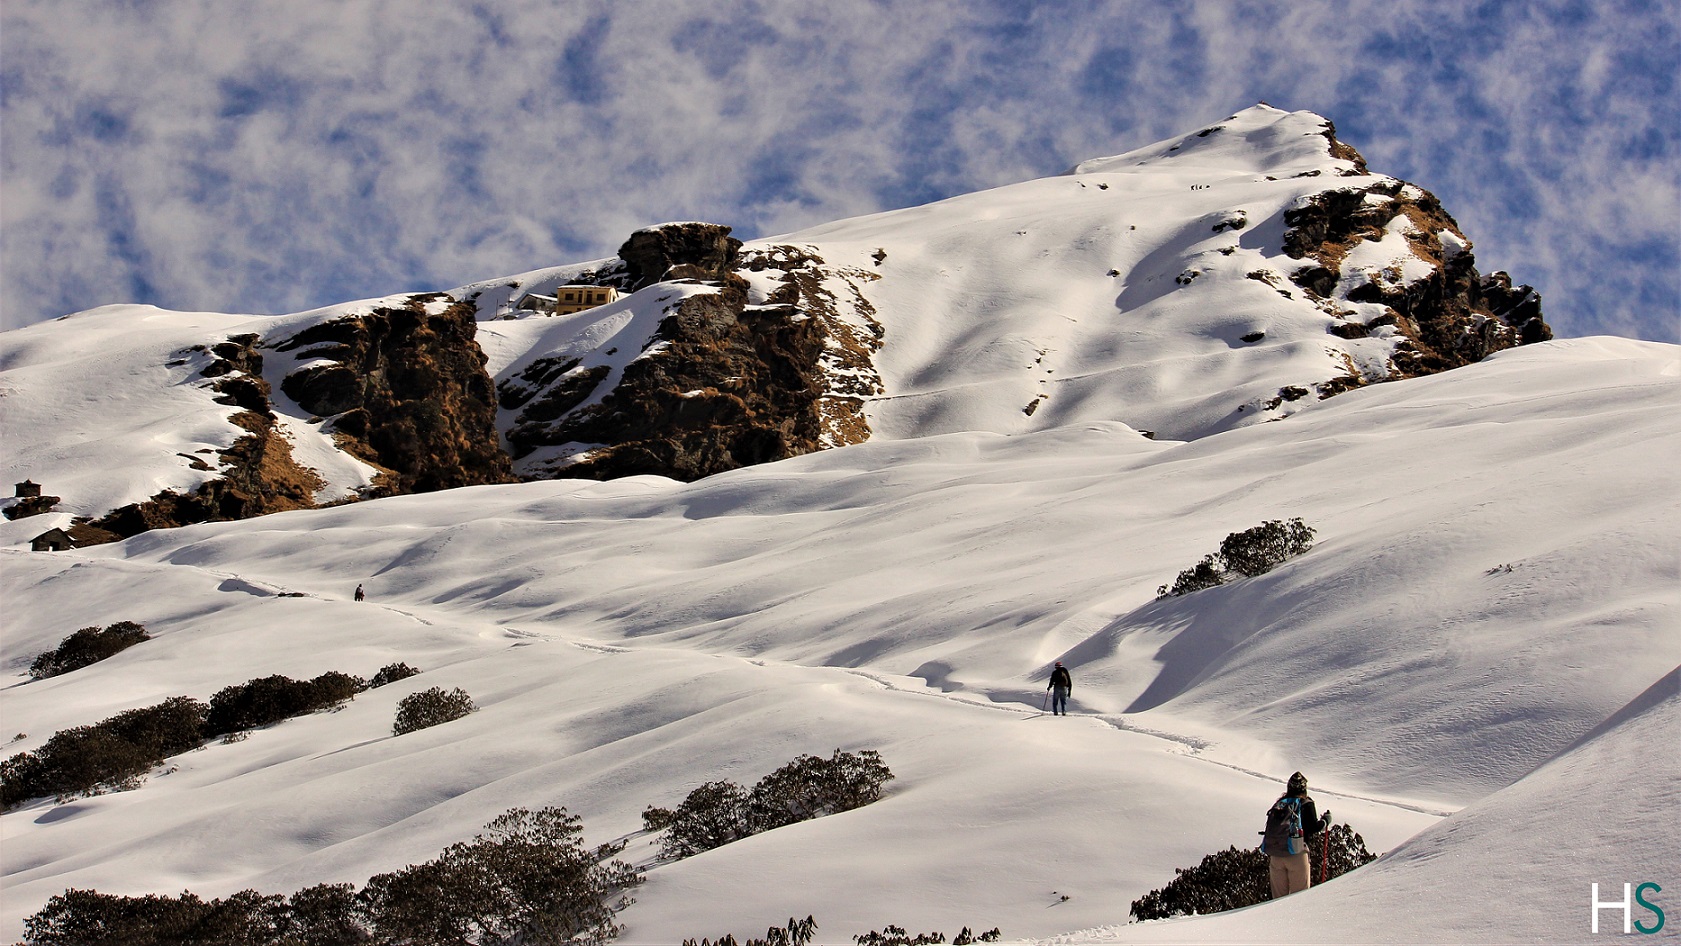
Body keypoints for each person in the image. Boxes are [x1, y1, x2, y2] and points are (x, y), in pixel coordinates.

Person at [1263, 771, 1330, 898]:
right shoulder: (1306, 803)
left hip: (1276, 855)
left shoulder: (1280, 804)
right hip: (1297, 854)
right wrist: (1326, 821)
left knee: (1277, 900)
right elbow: (1312, 827)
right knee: (1299, 899)